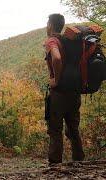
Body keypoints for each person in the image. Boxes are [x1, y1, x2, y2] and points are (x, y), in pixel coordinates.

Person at [44, 13, 85, 165]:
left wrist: (56, 80)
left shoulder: (52, 41)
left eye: (47, 23)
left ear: (51, 24)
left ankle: (55, 166)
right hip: (75, 90)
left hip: (60, 93)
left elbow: (57, 58)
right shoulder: (68, 41)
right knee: (73, 128)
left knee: (55, 130)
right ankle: (79, 163)